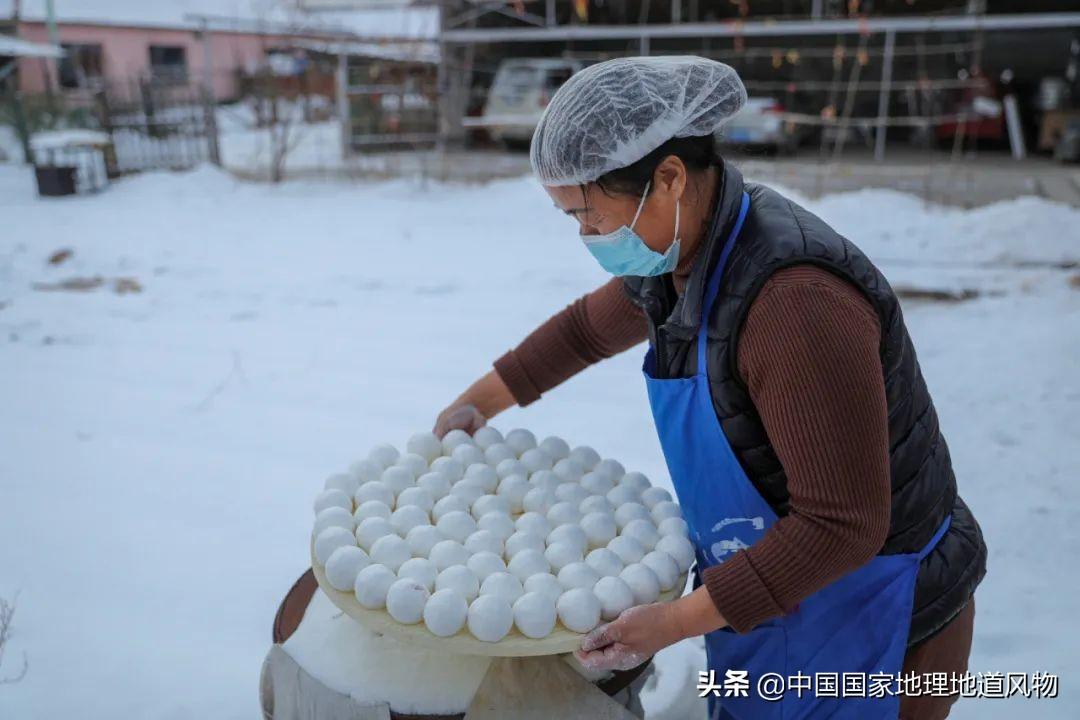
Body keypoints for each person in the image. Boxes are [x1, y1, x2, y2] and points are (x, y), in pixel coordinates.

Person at [434, 56, 986, 719]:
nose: (587, 237)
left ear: (667, 179)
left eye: (590, 216)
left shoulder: (793, 304)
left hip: (880, 616)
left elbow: (842, 526)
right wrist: (478, 402)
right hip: (771, 595)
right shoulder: (681, 256)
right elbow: (585, 332)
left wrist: (671, 622)